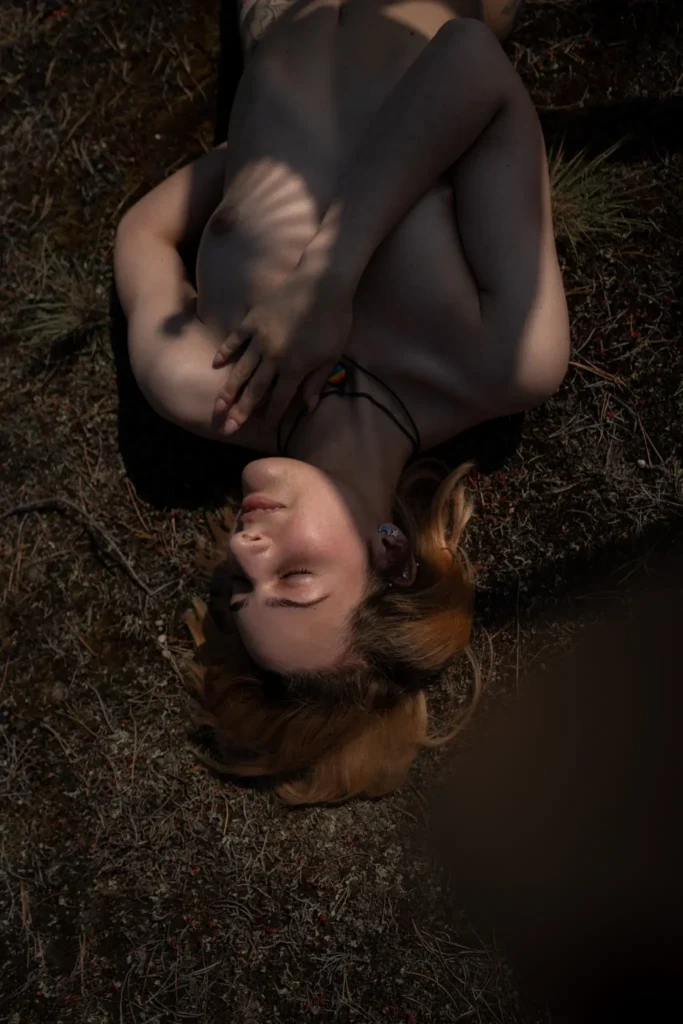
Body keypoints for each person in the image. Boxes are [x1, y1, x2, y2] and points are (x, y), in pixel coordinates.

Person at [114, 0, 569, 804]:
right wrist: (326, 277)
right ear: (390, 554)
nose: (246, 548)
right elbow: (470, 59)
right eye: (294, 578)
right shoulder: (502, 364)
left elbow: (141, 238)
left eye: (241, 587)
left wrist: (252, 153)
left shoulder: (201, 388)